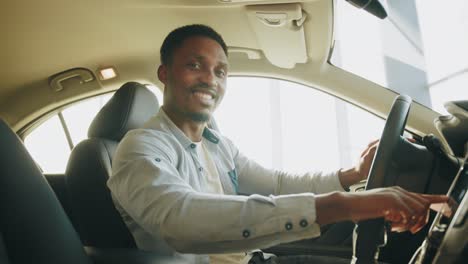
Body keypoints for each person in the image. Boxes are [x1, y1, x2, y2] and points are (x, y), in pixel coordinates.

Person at [107, 24, 448, 264]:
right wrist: (346, 205)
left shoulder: (216, 143)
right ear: (164, 74)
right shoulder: (140, 149)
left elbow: (277, 184)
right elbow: (181, 222)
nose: (210, 79)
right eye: (194, 66)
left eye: (221, 71)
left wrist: (352, 174)